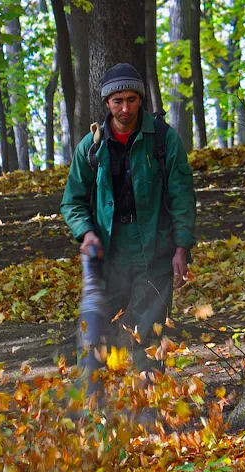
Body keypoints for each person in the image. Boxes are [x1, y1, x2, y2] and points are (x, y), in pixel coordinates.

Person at [61, 63, 196, 375]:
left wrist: (181, 247)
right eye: (117, 101)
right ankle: (96, 401)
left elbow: (182, 196)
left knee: (150, 328)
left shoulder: (163, 140)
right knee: (99, 326)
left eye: (132, 100)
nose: (125, 108)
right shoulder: (91, 146)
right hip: (109, 248)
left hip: (155, 245)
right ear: (107, 103)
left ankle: (149, 403)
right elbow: (72, 201)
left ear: (141, 99)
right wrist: (86, 233)